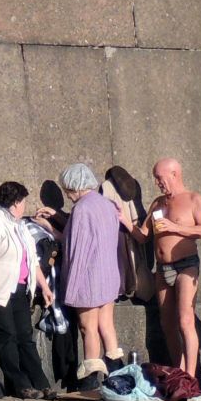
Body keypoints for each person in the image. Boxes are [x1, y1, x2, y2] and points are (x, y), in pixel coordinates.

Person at [0, 181, 54, 399]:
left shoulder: (19, 225)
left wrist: (43, 286)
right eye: (23, 201)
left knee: (25, 336)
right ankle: (20, 384)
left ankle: (40, 381)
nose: (25, 206)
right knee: (6, 336)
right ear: (16, 202)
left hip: (19, 287)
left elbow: (31, 259)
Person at [132, 157, 201, 378]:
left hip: (186, 266)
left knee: (185, 319)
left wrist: (175, 227)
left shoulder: (194, 200)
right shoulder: (158, 203)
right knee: (167, 323)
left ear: (174, 174)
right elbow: (143, 236)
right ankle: (178, 370)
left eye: (160, 178)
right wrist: (123, 220)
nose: (158, 182)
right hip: (163, 267)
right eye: (156, 178)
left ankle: (191, 376)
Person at [57, 162, 127, 387]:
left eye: (67, 190)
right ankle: (117, 374)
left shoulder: (82, 208)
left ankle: (90, 379)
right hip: (109, 274)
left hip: (88, 277)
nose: (67, 195)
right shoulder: (105, 204)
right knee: (106, 325)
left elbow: (76, 246)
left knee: (88, 327)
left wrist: (71, 287)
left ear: (74, 187)